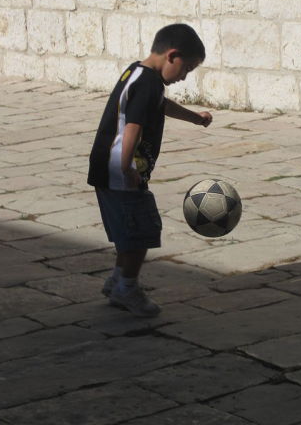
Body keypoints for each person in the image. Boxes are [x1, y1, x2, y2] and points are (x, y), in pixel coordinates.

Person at [87, 23, 212, 317]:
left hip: (107, 170)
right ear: (173, 55)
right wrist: (128, 165)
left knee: (127, 231)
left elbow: (159, 105)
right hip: (121, 172)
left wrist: (194, 118)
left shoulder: (138, 73)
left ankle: (118, 279)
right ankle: (126, 287)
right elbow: (133, 125)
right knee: (143, 230)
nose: (183, 78)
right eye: (187, 69)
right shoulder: (149, 83)